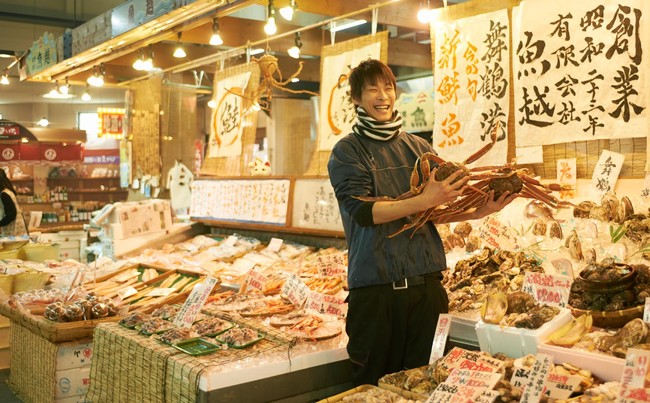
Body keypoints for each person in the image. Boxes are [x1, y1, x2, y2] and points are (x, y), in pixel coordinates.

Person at [327, 59, 516, 386]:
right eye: (372, 89)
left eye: (388, 87)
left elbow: (432, 214)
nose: (382, 95)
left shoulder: (419, 148)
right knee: (373, 388)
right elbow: (362, 211)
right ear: (356, 98)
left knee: (425, 385)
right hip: (376, 294)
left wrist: (477, 212)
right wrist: (426, 198)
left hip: (427, 291)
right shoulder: (347, 151)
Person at [0, 169, 28, 237]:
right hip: (17, 232)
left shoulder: (4, 194)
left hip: (13, 233)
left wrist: (0, 223)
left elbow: (11, 214)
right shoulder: (7, 191)